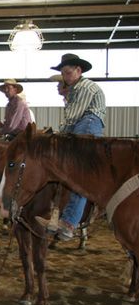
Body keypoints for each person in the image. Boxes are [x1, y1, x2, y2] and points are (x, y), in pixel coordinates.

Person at [36, 53, 106, 241]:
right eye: (64, 74)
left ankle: (69, 223)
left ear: (78, 70)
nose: (65, 78)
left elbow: (73, 117)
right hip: (84, 125)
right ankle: (57, 216)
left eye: (68, 73)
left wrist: (57, 135)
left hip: (88, 125)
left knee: (78, 174)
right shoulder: (76, 89)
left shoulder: (84, 87)